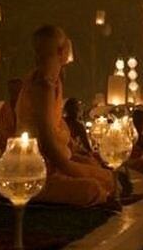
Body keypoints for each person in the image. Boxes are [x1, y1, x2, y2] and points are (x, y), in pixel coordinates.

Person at [16, 25, 115, 207]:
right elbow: (47, 145)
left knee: (104, 175)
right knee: (92, 188)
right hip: (34, 169)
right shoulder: (42, 85)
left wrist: (78, 158)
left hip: (54, 161)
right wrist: (76, 170)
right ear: (64, 51)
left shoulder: (54, 81)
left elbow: (57, 131)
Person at [0, 79, 22, 150]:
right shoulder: (5, 109)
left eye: (17, 91)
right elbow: (2, 132)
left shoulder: (28, 107)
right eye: (13, 91)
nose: (15, 93)